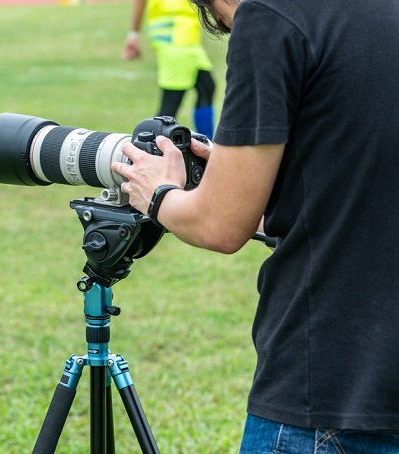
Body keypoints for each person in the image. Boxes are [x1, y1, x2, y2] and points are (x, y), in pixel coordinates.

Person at [112, 0, 399, 451]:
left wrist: (158, 192)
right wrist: (247, 185)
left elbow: (219, 226)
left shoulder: (268, 14)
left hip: (331, 390)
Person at [122, 0, 215, 139]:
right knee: (171, 102)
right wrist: (133, 34)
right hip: (172, 33)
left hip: (188, 35)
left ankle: (207, 147)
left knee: (207, 87)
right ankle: (150, 147)